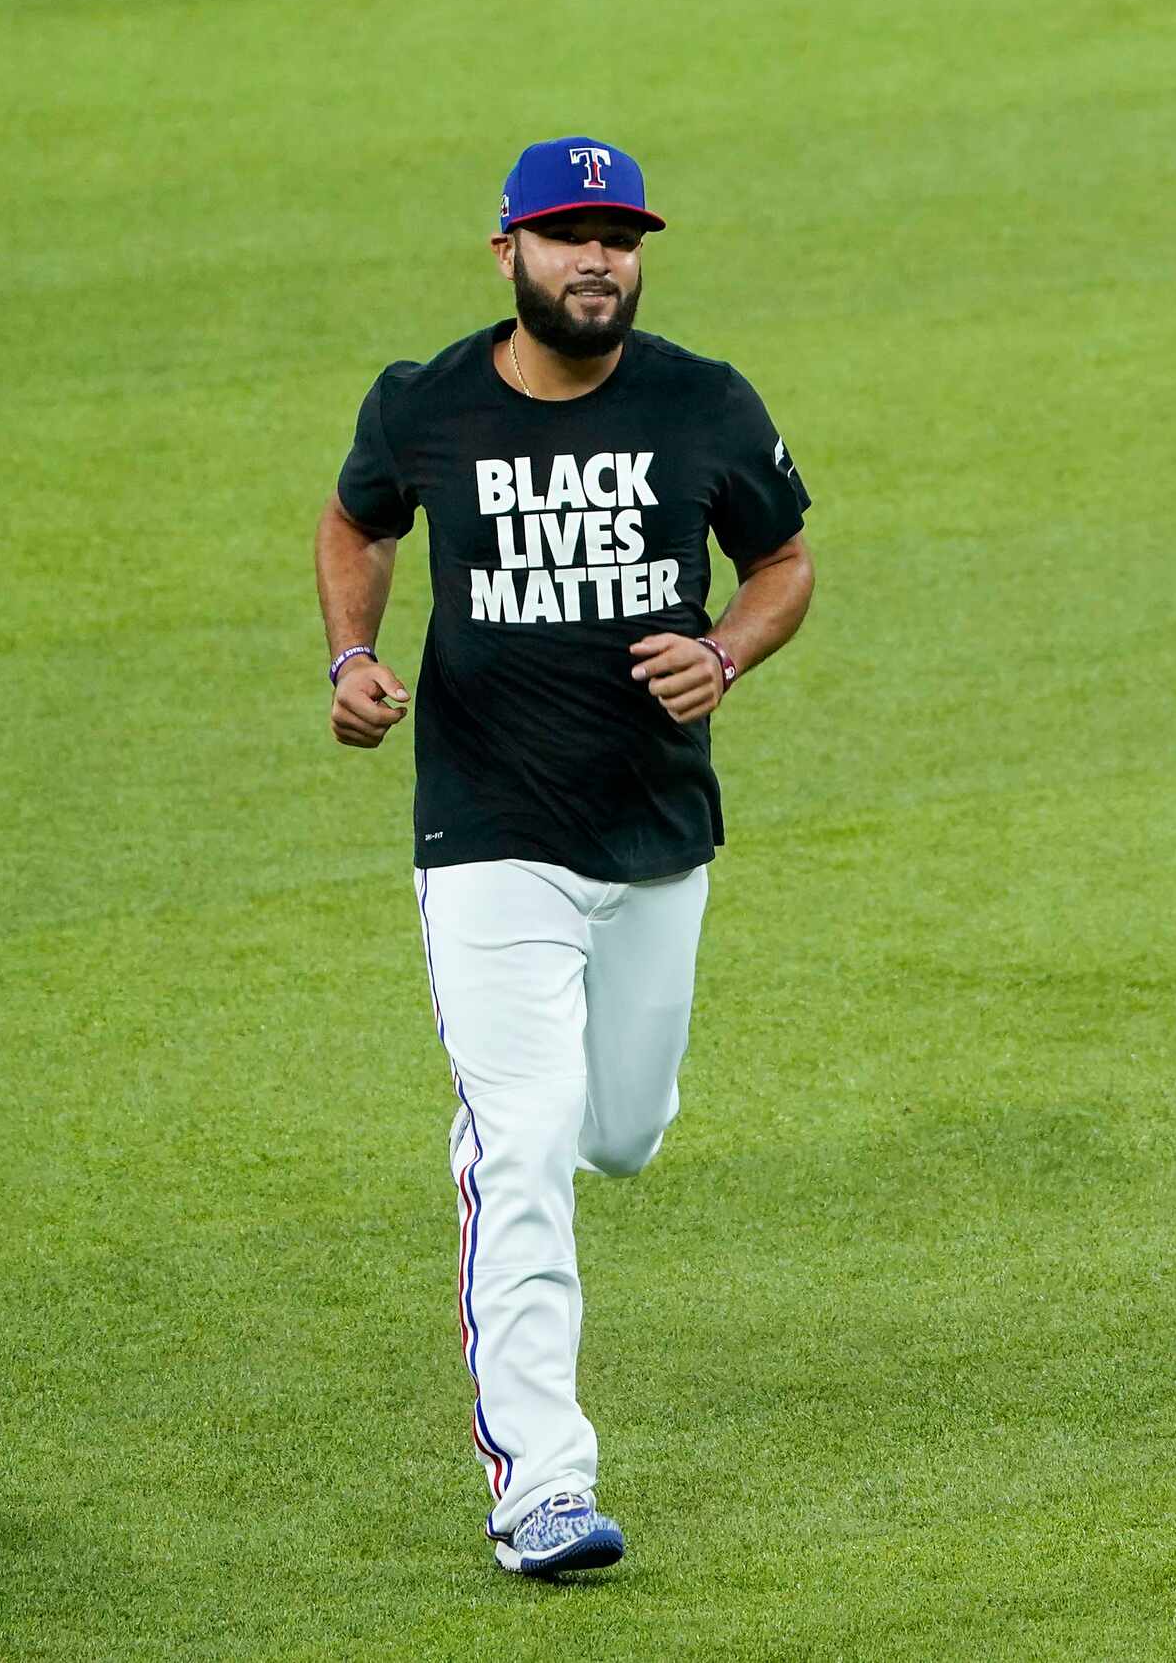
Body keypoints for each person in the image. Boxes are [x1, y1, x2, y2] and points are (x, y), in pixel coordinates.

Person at [314, 135, 814, 1577]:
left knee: (620, 1131)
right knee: (523, 1140)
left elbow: (782, 559)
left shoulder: (703, 402)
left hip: (656, 829)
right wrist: (351, 652)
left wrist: (725, 649)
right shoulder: (426, 404)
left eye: (619, 235)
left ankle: (550, 1137)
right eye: (567, 234)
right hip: (487, 832)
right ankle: (541, 1479)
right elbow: (359, 517)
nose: (598, 259)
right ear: (507, 253)